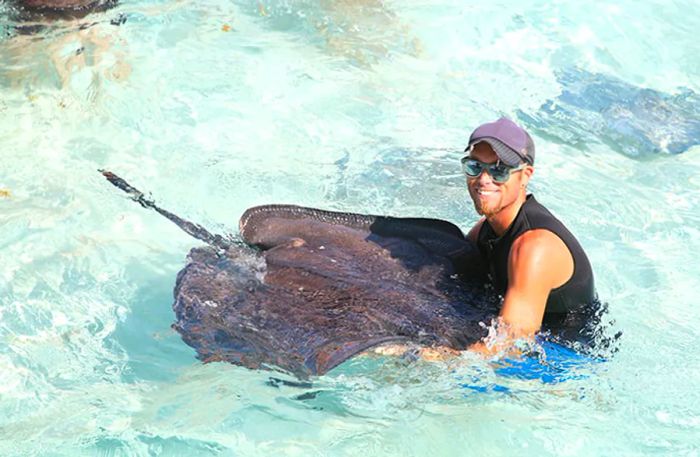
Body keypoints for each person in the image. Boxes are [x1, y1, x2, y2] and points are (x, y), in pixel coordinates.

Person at [461, 118, 596, 354]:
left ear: (525, 175)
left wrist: (432, 357)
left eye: (499, 170)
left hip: (566, 363)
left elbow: (510, 347)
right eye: (475, 166)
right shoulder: (483, 231)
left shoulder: (535, 247)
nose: (483, 179)